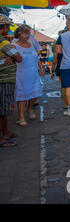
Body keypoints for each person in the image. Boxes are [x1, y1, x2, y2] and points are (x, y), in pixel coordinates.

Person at [12, 26, 44, 126]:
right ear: (19, 34)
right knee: (22, 95)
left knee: (35, 93)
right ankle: (21, 117)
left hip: (33, 73)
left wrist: (41, 68)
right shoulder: (13, 45)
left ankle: (29, 109)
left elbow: (36, 56)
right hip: (21, 74)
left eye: (28, 34)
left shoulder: (31, 44)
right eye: (25, 34)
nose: (27, 36)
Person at [0, 15, 22, 147]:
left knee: (3, 109)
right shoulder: (3, 42)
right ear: (2, 27)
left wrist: (9, 58)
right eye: (7, 26)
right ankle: (2, 137)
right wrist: (11, 58)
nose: (8, 28)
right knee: (3, 109)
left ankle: (5, 131)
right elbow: (19, 57)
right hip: (4, 79)